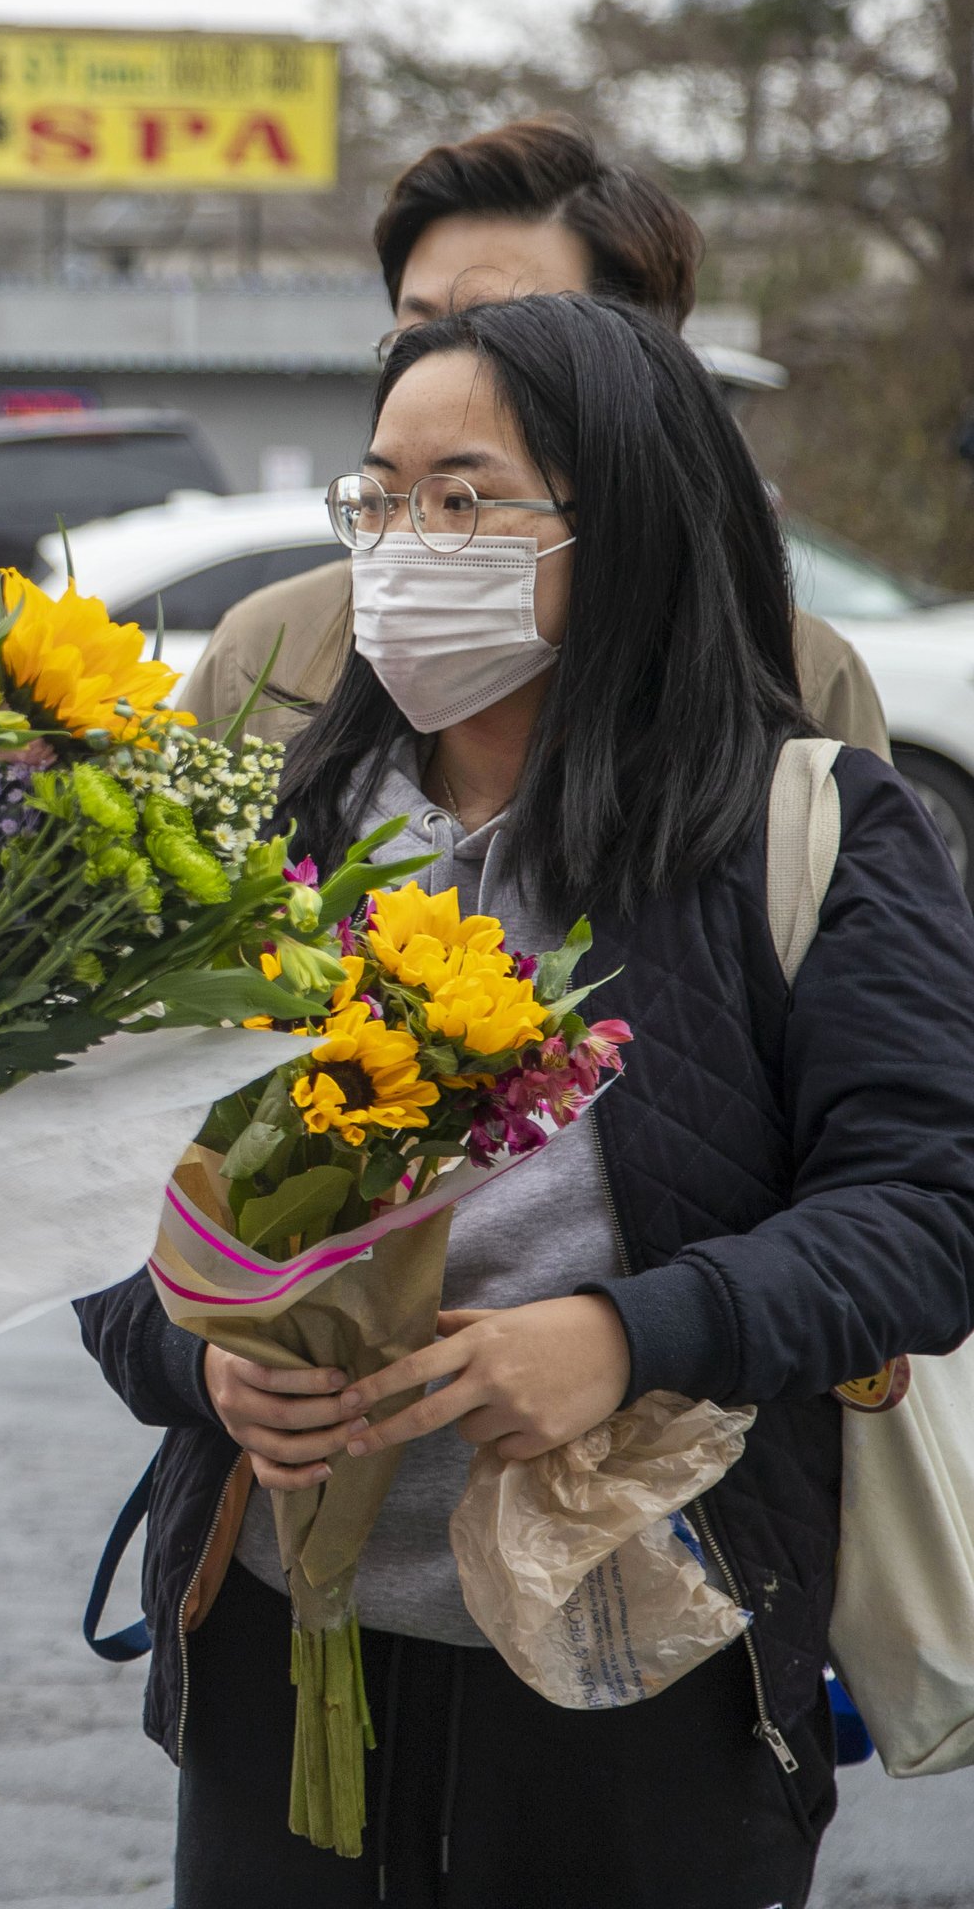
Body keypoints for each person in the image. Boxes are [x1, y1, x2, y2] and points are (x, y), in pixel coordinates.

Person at [77, 293, 974, 1905]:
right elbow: (76, 1188)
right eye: (381, 498)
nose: (409, 542)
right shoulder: (255, 835)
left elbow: (925, 1213)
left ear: (623, 525)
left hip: (647, 1652)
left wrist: (629, 1338)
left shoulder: (806, 826)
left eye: (467, 498)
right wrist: (195, 1365)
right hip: (288, 1632)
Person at [177, 115, 890, 760]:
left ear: (644, 371)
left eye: (516, 329)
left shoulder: (794, 678)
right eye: (418, 330)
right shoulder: (269, 656)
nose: (451, 360)